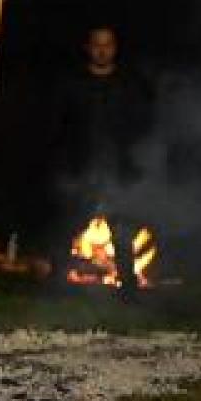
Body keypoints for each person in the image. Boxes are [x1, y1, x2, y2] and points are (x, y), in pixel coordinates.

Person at [48, 26, 153, 296]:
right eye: (97, 44)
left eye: (107, 45)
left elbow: (141, 127)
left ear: (114, 48)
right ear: (88, 48)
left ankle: (128, 289)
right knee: (67, 228)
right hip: (80, 168)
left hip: (118, 170)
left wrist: (135, 166)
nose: (102, 50)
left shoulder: (128, 86)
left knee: (122, 232)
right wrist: (64, 167)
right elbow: (60, 128)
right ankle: (55, 288)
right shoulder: (73, 85)